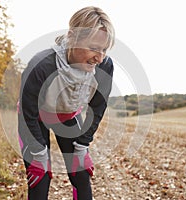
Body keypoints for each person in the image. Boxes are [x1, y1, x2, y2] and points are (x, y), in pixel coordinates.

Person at [18, 6, 115, 200]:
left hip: (68, 116)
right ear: (73, 37)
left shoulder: (105, 65)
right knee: (41, 177)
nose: (100, 57)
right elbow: (27, 113)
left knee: (81, 174)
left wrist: (83, 145)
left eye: (104, 49)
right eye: (94, 48)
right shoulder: (41, 64)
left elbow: (97, 108)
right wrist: (38, 153)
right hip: (34, 119)